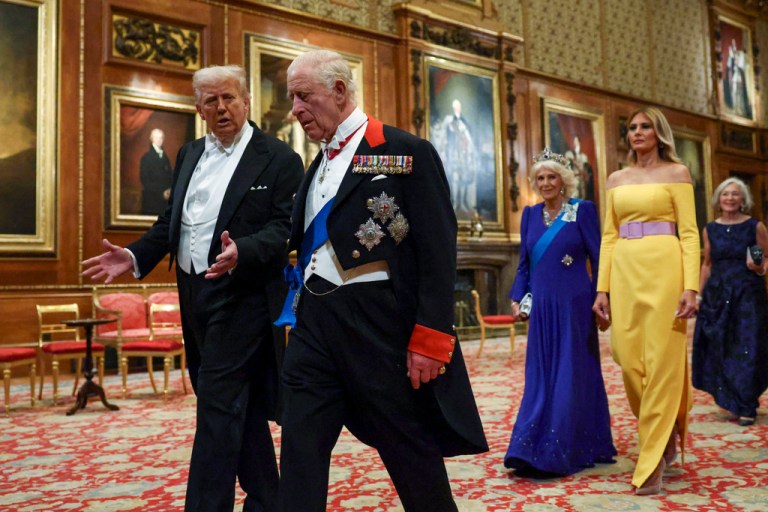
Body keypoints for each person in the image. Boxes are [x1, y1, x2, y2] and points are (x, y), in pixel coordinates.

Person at [81, 64, 304, 512]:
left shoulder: (279, 158)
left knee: (217, 407)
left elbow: (286, 228)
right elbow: (171, 223)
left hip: (242, 297)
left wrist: (243, 249)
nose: (221, 108)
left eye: (229, 98)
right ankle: (269, 500)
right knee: (227, 402)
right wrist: (134, 255)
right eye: (211, 101)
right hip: (193, 295)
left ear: (246, 101)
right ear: (198, 108)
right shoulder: (188, 154)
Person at [278, 49, 488, 512]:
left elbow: (437, 251)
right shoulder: (315, 165)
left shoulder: (404, 152)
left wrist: (432, 337)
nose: (294, 109)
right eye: (292, 97)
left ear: (338, 91)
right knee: (299, 446)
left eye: (303, 96)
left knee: (408, 450)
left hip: (379, 325)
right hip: (315, 323)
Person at [592, 106, 700, 495]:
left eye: (645, 127)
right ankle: (667, 427)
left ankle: (650, 460)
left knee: (663, 361)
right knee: (627, 357)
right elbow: (608, 236)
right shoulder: (616, 178)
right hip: (624, 271)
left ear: (659, 133)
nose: (636, 132)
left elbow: (688, 233)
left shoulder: (677, 173)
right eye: (632, 127)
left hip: (666, 270)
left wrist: (691, 286)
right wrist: (601, 289)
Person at [504, 148, 615, 477]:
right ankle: (528, 447)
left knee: (572, 372)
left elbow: (599, 256)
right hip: (541, 307)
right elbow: (524, 263)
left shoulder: (582, 210)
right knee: (540, 375)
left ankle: (566, 448)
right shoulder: (529, 215)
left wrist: (601, 296)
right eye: (540, 178)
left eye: (552, 176)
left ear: (564, 180)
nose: (546, 182)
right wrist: (517, 296)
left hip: (574, 305)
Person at [692, 177, 768, 427]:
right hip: (717, 293)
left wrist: (757, 267)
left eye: (735, 194)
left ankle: (747, 403)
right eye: (726, 194)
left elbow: (763, 257)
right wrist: (699, 295)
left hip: (747, 293)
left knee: (748, 345)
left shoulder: (754, 226)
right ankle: (731, 396)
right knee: (721, 345)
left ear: (743, 199)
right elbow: (707, 264)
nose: (730, 198)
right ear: (718, 200)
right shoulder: (710, 229)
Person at [139, 128, 173, 215]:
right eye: (157, 138)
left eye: (161, 138)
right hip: (152, 201)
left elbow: (170, 176)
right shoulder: (146, 158)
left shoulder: (165, 157)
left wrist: (169, 190)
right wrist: (161, 193)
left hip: (165, 202)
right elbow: (145, 181)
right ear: (152, 139)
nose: (159, 140)